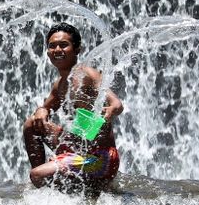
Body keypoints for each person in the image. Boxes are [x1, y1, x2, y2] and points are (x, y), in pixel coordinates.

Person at [23, 24, 124, 188]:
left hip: (99, 159)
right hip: (76, 149)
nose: (57, 50)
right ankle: (44, 183)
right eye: (52, 46)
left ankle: (46, 180)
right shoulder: (60, 84)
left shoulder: (87, 74)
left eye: (63, 45)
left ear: (77, 49)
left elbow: (116, 103)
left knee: (37, 175)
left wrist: (111, 110)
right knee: (31, 124)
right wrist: (42, 111)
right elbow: (45, 108)